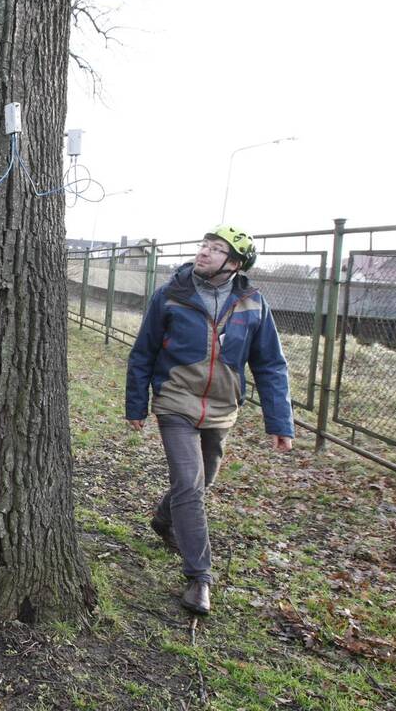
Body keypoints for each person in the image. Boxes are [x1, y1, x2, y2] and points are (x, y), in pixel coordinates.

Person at [125, 225, 294, 615]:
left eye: (215, 249)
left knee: (202, 482)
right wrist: (136, 405)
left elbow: (270, 364)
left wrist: (280, 422)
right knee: (189, 483)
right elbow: (143, 352)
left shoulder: (253, 303)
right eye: (204, 245)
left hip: (222, 408)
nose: (203, 253)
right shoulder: (171, 295)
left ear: (234, 263)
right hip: (176, 401)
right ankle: (199, 577)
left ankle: (164, 518)